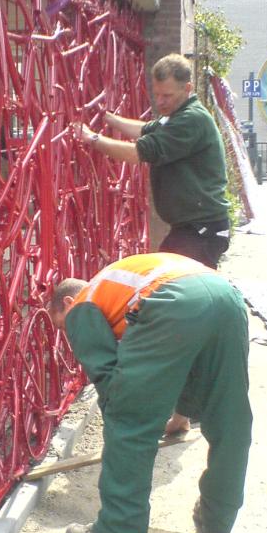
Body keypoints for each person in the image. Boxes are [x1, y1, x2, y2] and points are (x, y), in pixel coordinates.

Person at [49, 252, 253, 533]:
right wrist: (180, 416)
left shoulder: (82, 303)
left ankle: (118, 532)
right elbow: (188, 363)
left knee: (127, 416)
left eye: (62, 328)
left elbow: (111, 388)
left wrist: (132, 416)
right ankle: (216, 522)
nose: (69, 335)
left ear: (65, 304)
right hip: (226, 297)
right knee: (229, 415)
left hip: (172, 301)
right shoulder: (120, 284)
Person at [73, 53, 231, 436]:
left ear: (188, 90)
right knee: (184, 313)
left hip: (202, 230)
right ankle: (187, 411)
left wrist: (93, 138)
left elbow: (141, 152)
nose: (162, 102)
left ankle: (188, 412)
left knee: (182, 315)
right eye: (158, 95)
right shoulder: (174, 116)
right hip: (192, 228)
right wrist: (111, 120)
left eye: (169, 96)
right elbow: (146, 129)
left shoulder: (192, 119)